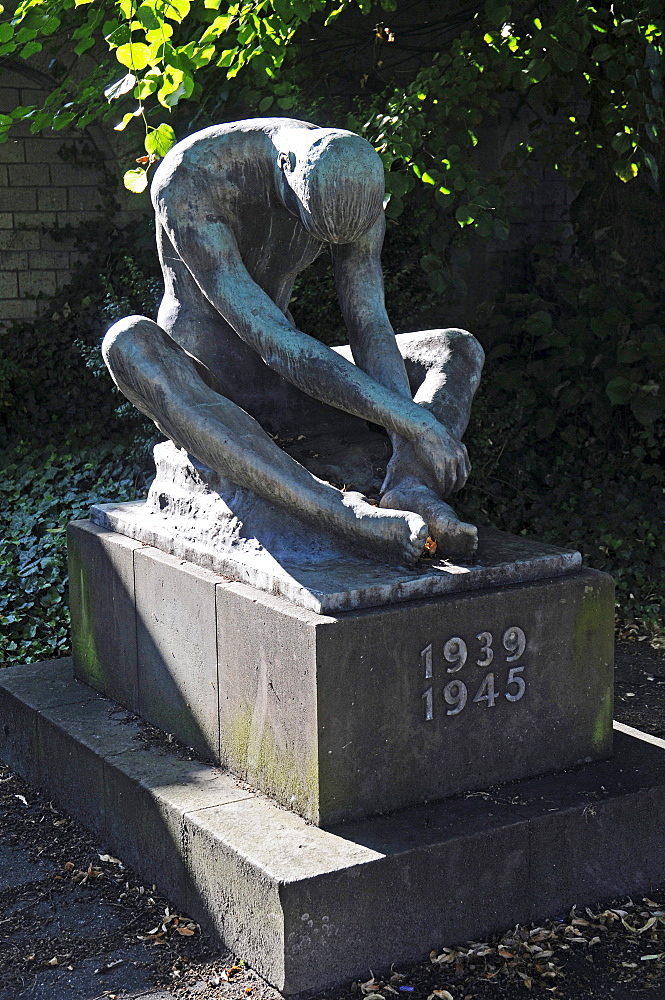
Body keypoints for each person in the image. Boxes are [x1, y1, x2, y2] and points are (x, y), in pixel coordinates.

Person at [103, 118, 484, 565]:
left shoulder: (354, 184)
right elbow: (276, 343)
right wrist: (417, 423)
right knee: (126, 340)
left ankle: (409, 486)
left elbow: (369, 323)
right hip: (209, 385)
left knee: (455, 349)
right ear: (288, 168)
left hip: (291, 384)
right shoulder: (191, 177)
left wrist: (408, 438)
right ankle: (345, 515)